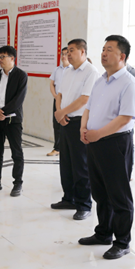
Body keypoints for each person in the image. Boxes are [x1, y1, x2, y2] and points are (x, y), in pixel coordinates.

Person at [77, 35, 135, 259]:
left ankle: (122, 242)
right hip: (95, 142)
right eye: (103, 49)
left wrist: (98, 134)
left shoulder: (129, 83)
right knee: (100, 192)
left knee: (118, 195)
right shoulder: (100, 80)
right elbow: (88, 108)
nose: (103, 53)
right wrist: (83, 128)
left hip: (115, 143)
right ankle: (103, 233)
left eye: (109, 50)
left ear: (122, 56)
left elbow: (125, 118)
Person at [51, 39, 101, 221]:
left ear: (82, 52)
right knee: (66, 163)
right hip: (65, 121)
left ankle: (84, 205)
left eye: (71, 51)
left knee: (81, 165)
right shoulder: (68, 71)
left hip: (80, 122)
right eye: (67, 51)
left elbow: (84, 99)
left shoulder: (91, 72)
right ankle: (68, 198)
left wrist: (62, 112)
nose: (68, 54)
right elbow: (59, 94)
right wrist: (59, 112)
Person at [0, 46, 28, 197]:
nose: (0, 60)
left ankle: (18, 183)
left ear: (12, 58)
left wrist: (4, 112)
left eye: (3, 57)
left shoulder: (21, 75)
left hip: (13, 120)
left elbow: (19, 99)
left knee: (16, 152)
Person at [48, 47, 69, 157]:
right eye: (62, 54)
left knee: (66, 123)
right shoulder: (57, 70)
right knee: (56, 123)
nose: (64, 56)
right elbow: (52, 84)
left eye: (66, 54)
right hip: (57, 100)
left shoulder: (72, 69)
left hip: (68, 101)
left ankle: (66, 148)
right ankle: (57, 148)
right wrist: (55, 96)